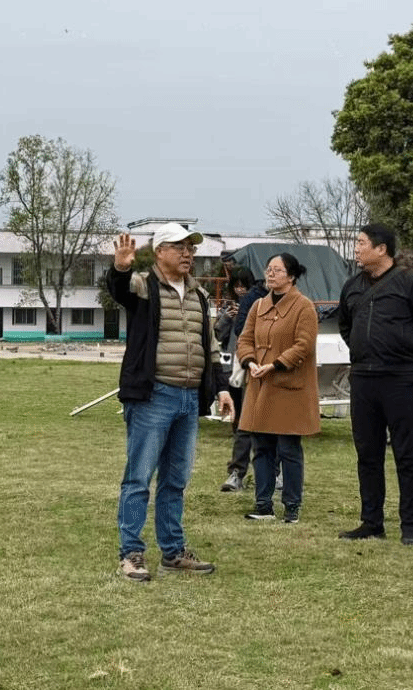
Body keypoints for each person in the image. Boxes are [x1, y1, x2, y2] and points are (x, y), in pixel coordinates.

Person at [105, 222, 234, 582]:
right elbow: (119, 291)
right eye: (179, 247)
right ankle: (131, 554)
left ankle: (173, 552)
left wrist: (222, 388)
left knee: (175, 480)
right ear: (160, 252)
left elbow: (211, 346)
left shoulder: (199, 295)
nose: (187, 254)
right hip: (153, 396)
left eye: (191, 248)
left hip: (189, 399)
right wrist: (120, 268)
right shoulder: (143, 286)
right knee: (138, 479)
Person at [337, 224, 413, 545]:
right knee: (367, 454)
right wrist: (363, 351)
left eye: (361, 243)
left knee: (406, 455)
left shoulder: (412, 283)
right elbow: (345, 326)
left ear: (381, 249)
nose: (356, 248)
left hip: (400, 379)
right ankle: (372, 522)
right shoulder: (352, 286)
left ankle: (410, 527)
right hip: (363, 379)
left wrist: (403, 353)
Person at [236, 253, 320, 523]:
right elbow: (244, 339)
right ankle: (263, 506)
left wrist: (275, 365)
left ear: (291, 276)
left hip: (288, 387)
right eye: (268, 269)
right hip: (260, 386)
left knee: (288, 449)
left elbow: (303, 345)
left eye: (277, 270)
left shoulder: (304, 307)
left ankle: (292, 507)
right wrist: (249, 361)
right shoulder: (258, 305)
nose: (270, 274)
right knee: (261, 448)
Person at [218, 265, 263, 492]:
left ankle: (272, 473)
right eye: (235, 286)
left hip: (258, 367)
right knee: (241, 421)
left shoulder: (260, 302)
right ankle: (237, 472)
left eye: (243, 286)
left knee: (261, 424)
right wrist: (228, 318)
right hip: (234, 367)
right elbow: (219, 334)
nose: (240, 290)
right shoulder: (230, 307)